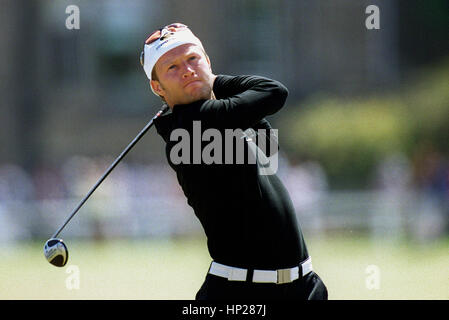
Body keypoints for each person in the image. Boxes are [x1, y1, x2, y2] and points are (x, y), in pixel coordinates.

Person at [140, 23, 328, 300]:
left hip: (304, 287)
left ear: (207, 59)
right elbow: (273, 91)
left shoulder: (226, 118)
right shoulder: (188, 129)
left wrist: (207, 82)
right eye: (173, 67)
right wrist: (214, 79)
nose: (188, 70)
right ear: (158, 87)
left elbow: (268, 150)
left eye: (193, 59)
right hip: (241, 293)